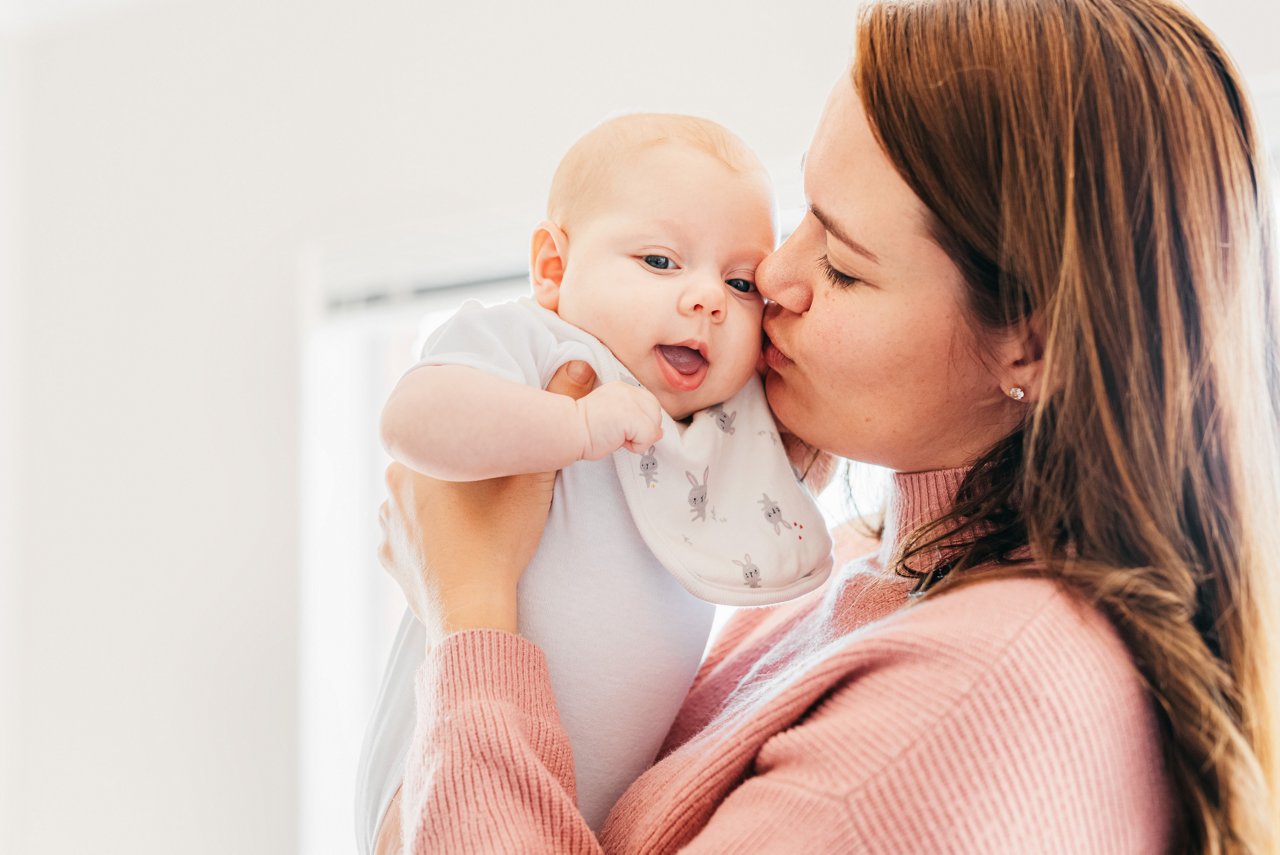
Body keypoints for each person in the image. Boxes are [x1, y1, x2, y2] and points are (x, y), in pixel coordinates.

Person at [377, 0, 1280, 850]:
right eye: (802, 210)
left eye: (843, 267)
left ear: (1029, 345)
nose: (770, 277)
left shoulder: (963, 707)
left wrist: (472, 613)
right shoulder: (858, 568)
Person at [359, 114, 834, 851]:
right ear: (553, 267)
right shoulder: (535, 344)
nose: (708, 297)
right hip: (440, 769)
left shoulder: (723, 425)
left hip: (577, 821)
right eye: (660, 261)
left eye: (741, 281)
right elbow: (412, 420)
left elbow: (778, 489)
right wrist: (570, 429)